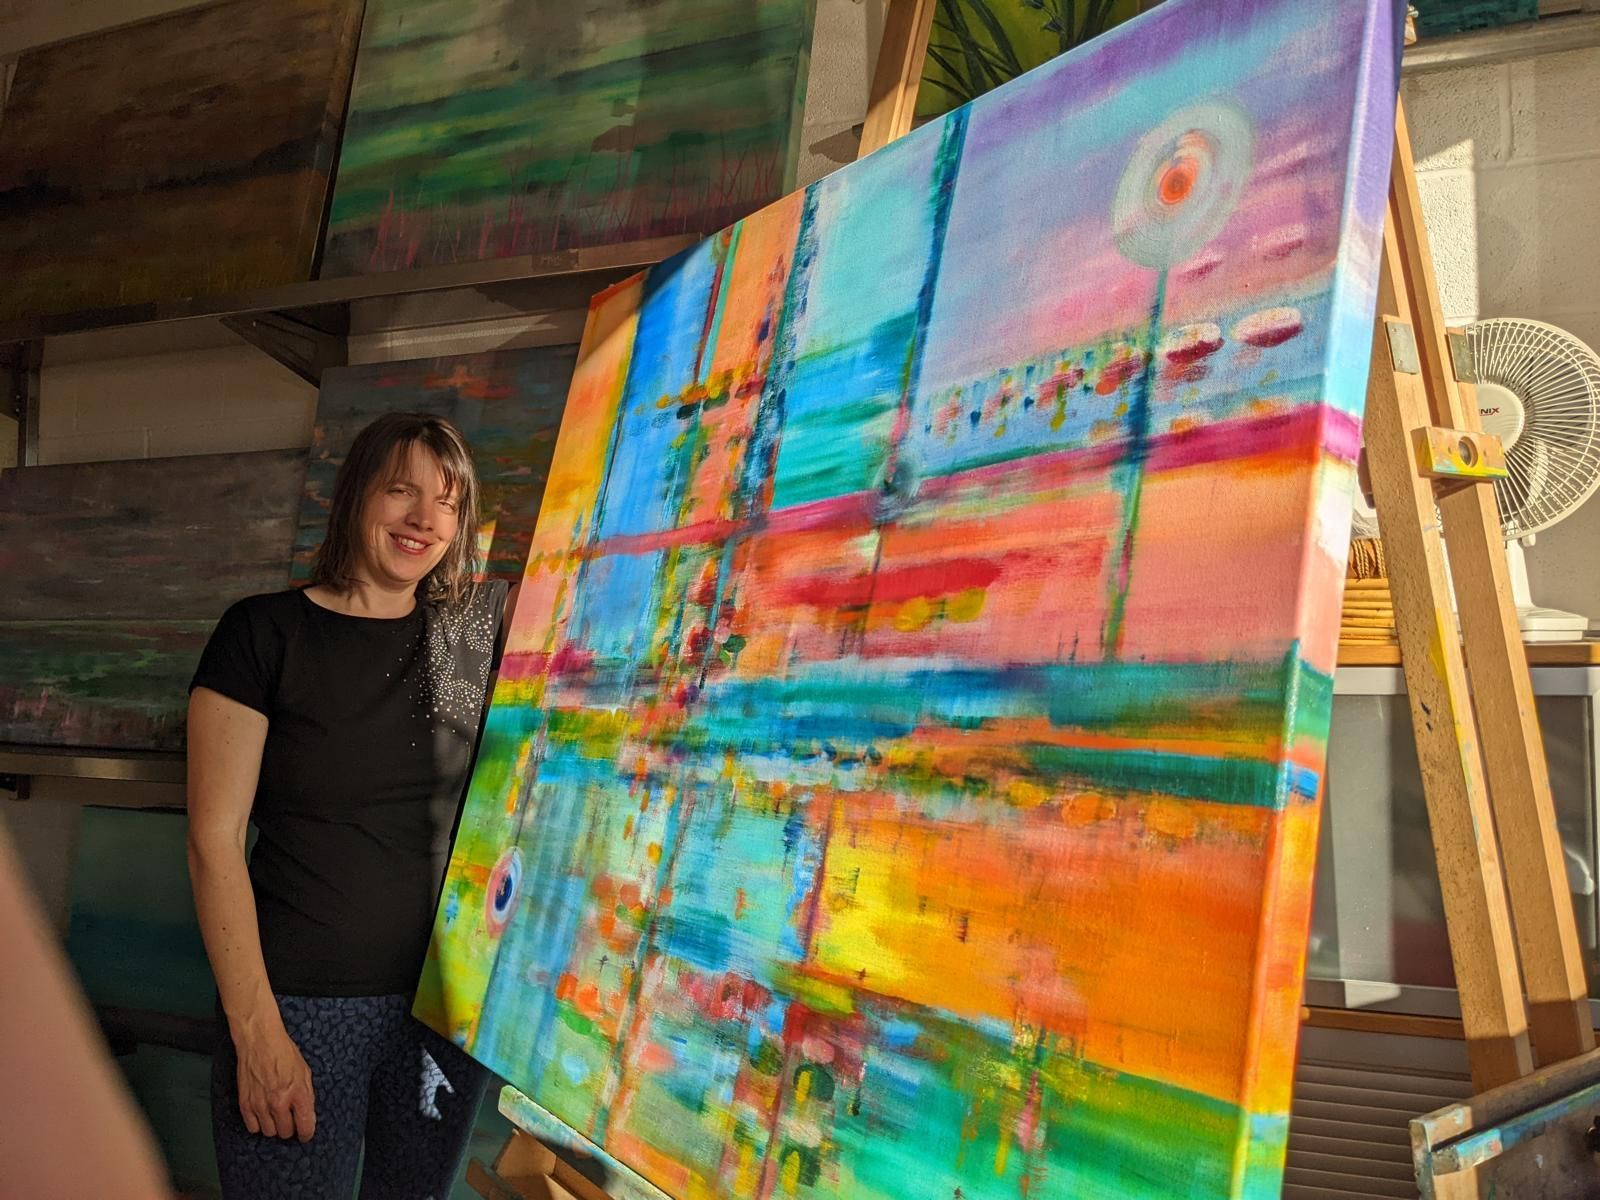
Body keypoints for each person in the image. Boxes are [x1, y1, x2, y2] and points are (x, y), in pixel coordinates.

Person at [186, 412, 515, 1199]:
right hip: (298, 1006)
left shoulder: (469, 640)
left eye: (445, 502)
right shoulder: (264, 633)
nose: (423, 519)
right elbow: (213, 842)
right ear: (355, 495)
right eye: (401, 490)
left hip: (441, 1012)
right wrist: (258, 1034)